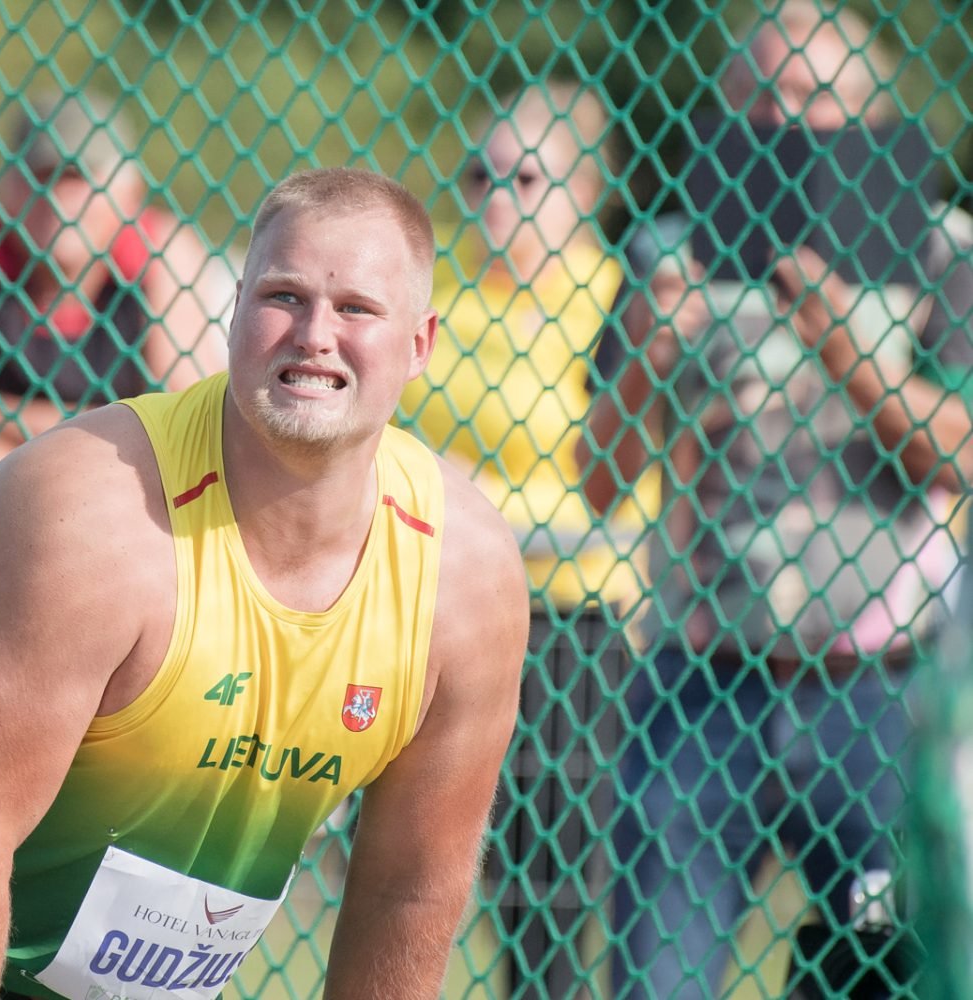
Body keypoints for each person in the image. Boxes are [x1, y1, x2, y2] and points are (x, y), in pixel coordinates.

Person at [0, 167, 529, 1000]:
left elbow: (409, 890)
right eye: (283, 296)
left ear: (420, 343)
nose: (315, 335)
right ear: (234, 310)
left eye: (356, 308)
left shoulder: (463, 577)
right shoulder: (84, 516)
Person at [581, 5, 973, 996]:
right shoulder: (669, 248)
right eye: (762, 93)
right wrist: (647, 365)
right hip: (696, 680)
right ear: (726, 105)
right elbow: (599, 475)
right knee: (654, 981)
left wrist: (854, 364)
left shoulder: (939, 251)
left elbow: (961, 454)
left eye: (816, 95)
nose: (787, 118)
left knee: (891, 977)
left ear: (870, 113)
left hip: (882, 686)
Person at [400, 83, 648, 997]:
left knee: (546, 882)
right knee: (430, 866)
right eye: (479, 173)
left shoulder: (613, 297)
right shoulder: (437, 289)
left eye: (525, 176)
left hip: (568, 619)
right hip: (427, 603)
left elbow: (606, 467)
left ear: (583, 192)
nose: (494, 195)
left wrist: (460, 489)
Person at [0, 92, 231, 500]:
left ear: (128, 192)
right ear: (10, 188)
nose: (57, 201)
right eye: (41, 177)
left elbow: (193, 436)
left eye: (79, 179)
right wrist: (109, 442)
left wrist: (3, 416)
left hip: (116, 526)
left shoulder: (159, 255)